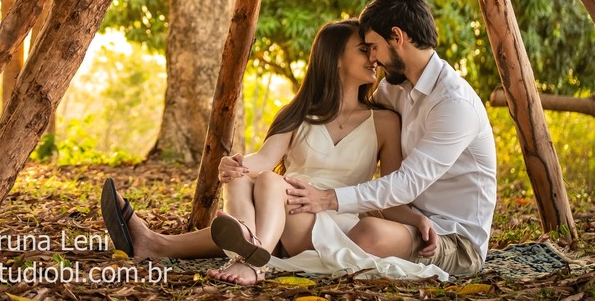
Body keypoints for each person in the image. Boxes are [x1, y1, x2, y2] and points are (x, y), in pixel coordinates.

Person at [100, 19, 447, 286]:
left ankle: (249, 255)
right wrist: (233, 164)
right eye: (364, 49)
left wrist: (417, 220)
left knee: (268, 184)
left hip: (329, 219)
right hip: (281, 213)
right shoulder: (299, 113)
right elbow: (262, 160)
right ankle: (237, 249)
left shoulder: (385, 121)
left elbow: (390, 192)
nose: (375, 57)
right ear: (335, 57)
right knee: (248, 177)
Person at [286, 0, 497, 278]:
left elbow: (407, 182)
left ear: (397, 37)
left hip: (453, 238)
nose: (372, 58)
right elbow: (355, 122)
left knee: (368, 232)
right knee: (326, 223)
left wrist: (329, 198)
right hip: (405, 219)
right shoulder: (393, 89)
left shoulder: (454, 104)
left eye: (373, 47)